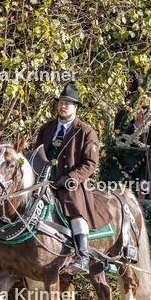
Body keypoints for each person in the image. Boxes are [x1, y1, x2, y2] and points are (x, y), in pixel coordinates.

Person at [34, 83, 112, 275]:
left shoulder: (86, 132)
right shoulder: (46, 128)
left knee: (76, 211)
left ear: (75, 107)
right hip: (44, 181)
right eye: (61, 102)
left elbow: (90, 163)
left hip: (72, 183)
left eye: (68, 103)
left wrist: (70, 178)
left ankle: (83, 256)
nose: (63, 106)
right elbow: (35, 154)